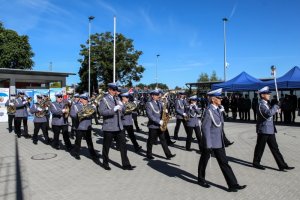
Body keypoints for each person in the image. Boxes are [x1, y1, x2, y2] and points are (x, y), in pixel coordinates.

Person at [198, 88, 246, 192]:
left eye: (220, 97)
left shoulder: (218, 109)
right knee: (204, 161)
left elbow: (220, 126)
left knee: (224, 163)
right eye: (219, 97)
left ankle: (233, 184)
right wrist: (208, 144)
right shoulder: (208, 111)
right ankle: (201, 179)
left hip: (218, 142)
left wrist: (222, 112)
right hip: (210, 142)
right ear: (213, 99)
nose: (221, 99)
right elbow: (205, 128)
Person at [253, 86, 294, 171]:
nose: (269, 95)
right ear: (262, 95)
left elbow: (272, 112)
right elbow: (268, 114)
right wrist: (276, 106)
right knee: (260, 147)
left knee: (275, 148)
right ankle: (256, 162)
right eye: (267, 94)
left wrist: (277, 108)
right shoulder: (261, 105)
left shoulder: (266, 103)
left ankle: (282, 164)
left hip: (270, 129)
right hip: (263, 130)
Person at [99, 83, 135, 170]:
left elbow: (122, 111)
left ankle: (126, 164)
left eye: (116, 90)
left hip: (119, 126)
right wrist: (113, 110)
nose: (116, 92)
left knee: (123, 146)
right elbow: (101, 112)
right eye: (114, 90)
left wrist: (122, 107)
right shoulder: (104, 100)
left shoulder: (118, 99)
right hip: (109, 127)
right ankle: (105, 163)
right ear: (110, 90)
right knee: (106, 146)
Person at [145, 89, 176, 160]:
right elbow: (150, 116)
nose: (158, 96)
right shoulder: (148, 104)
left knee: (163, 140)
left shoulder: (159, 102)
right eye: (156, 95)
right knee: (151, 140)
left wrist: (165, 111)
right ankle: (148, 154)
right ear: (152, 96)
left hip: (160, 125)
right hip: (153, 125)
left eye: (158, 95)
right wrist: (159, 121)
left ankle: (168, 154)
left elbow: (163, 110)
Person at [71, 94, 99, 163]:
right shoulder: (75, 106)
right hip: (79, 127)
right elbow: (72, 114)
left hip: (87, 126)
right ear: (81, 99)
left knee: (89, 142)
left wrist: (94, 108)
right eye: (84, 99)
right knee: (78, 141)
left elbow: (93, 114)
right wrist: (80, 114)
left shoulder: (89, 106)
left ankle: (93, 155)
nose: (86, 101)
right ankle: (76, 153)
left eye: (86, 99)